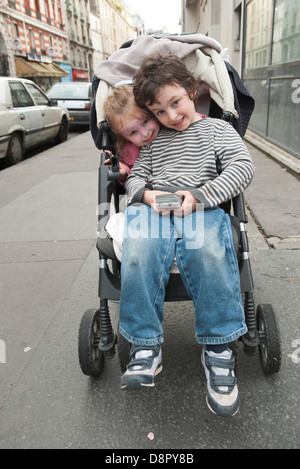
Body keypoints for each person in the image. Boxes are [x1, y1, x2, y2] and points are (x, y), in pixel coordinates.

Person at [117, 53, 254, 417]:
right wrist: (145, 194)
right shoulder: (154, 142)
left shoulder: (216, 130)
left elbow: (242, 168)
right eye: (159, 112)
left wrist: (200, 196)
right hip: (157, 210)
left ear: (192, 90)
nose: (170, 116)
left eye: (175, 103)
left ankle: (219, 349)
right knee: (139, 247)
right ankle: (145, 345)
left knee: (207, 247)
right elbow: (134, 177)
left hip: (202, 207)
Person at [102, 84, 160, 182]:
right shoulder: (127, 152)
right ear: (124, 137)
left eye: (146, 121)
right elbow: (130, 173)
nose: (145, 134)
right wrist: (123, 171)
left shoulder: (170, 127)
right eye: (133, 132)